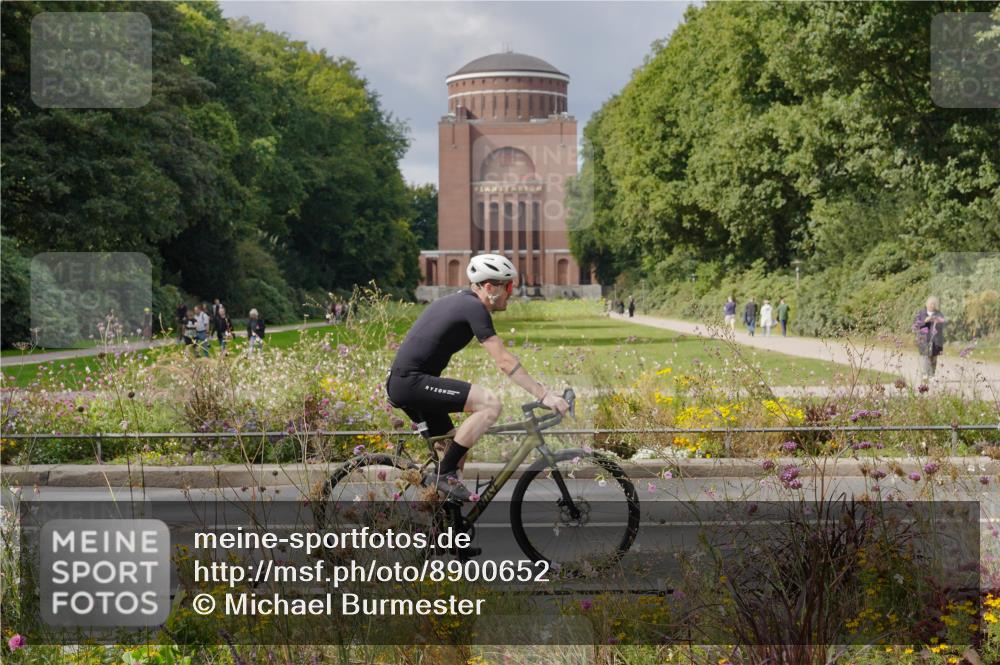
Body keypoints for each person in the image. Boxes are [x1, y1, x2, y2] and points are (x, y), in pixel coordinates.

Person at [385, 253, 569, 502]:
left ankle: (445, 528)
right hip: (411, 382)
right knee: (490, 404)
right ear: (490, 287)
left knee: (455, 452)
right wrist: (544, 395)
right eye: (509, 286)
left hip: (407, 383)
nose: (512, 292)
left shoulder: (461, 302)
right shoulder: (474, 307)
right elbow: (504, 361)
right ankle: (446, 475)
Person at [913, 296, 947, 380]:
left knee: (934, 357)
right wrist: (925, 320)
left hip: (936, 340)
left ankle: (932, 375)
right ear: (926, 304)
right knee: (925, 356)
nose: (932, 305)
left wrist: (939, 322)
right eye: (931, 304)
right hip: (923, 339)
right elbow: (916, 324)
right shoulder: (921, 313)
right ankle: (925, 374)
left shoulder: (938, 313)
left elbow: (943, 323)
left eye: (934, 304)